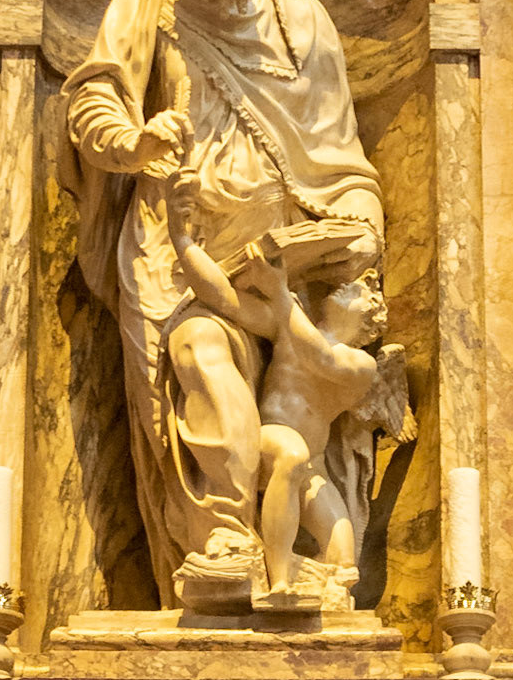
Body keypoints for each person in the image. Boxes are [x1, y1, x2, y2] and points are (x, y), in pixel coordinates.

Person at [60, 0, 383, 605]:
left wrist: (356, 228)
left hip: (287, 259)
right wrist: (133, 143)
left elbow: (341, 155)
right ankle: (224, 543)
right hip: (180, 239)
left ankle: (292, 560)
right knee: (202, 352)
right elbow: (92, 95)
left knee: (290, 427)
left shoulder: (304, 26)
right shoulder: (147, 4)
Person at [163, 169, 387, 605]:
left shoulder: (361, 364)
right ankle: (279, 580)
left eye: (356, 295)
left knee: (342, 554)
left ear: (367, 323)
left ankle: (323, 590)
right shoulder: (285, 326)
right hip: (268, 440)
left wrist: (281, 293)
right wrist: (182, 240)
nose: (345, 291)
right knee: (289, 451)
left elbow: (321, 357)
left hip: (315, 467)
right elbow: (222, 298)